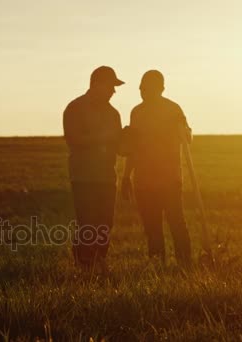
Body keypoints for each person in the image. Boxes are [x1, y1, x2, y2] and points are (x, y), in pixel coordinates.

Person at [121, 70, 192, 265]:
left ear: (161, 89)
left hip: (169, 178)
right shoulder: (137, 112)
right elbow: (132, 148)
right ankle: (157, 266)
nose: (144, 91)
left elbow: (187, 138)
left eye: (149, 88)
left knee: (177, 224)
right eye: (143, 87)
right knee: (152, 227)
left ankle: (185, 265)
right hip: (143, 181)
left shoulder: (173, 109)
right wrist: (127, 176)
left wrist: (182, 128)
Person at [63, 66, 124, 269]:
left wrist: (130, 141)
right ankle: (84, 266)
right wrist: (104, 138)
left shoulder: (113, 114)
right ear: (97, 85)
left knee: (105, 224)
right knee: (87, 223)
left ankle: (99, 263)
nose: (114, 91)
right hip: (84, 177)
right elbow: (73, 139)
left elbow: (119, 146)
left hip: (107, 177)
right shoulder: (75, 108)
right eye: (111, 86)